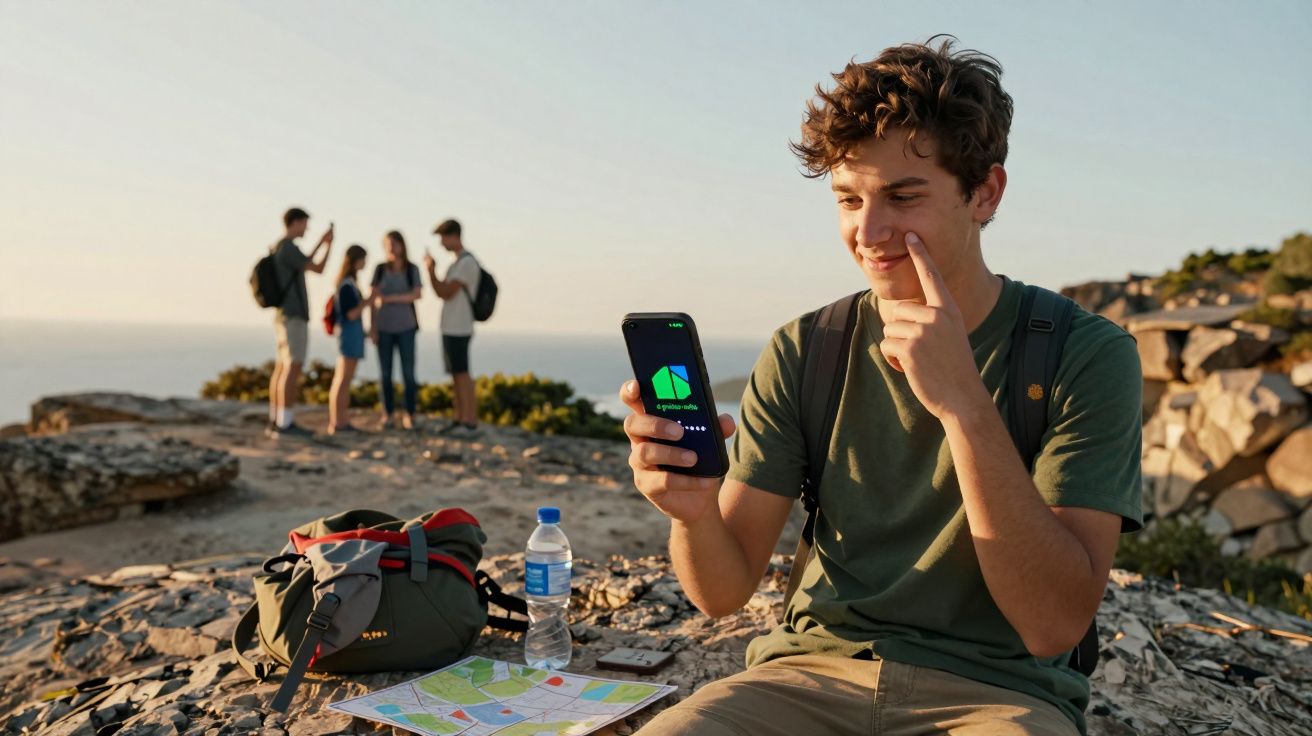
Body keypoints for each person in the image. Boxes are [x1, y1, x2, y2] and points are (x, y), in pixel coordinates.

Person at [622, 37, 1142, 736]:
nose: (867, 232)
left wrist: (964, 405)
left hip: (998, 698)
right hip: (805, 677)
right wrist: (691, 514)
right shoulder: (807, 349)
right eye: (848, 199)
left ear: (985, 193)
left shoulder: (1085, 354)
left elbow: (1053, 625)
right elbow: (722, 591)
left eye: (903, 196)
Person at [268, 207, 333, 439]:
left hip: (283, 315)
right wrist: (326, 244)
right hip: (293, 315)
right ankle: (285, 423)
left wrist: (323, 244)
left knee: (282, 367)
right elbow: (315, 267)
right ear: (295, 222)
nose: (307, 228)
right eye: (305, 223)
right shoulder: (287, 248)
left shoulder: (278, 247)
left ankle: (276, 419)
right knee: (292, 367)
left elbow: (309, 264)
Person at [424, 218, 482, 435]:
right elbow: (443, 292)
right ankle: (460, 418)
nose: (441, 243)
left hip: (460, 326)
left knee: (462, 373)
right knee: (456, 373)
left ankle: (469, 420)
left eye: (443, 238)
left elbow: (446, 292)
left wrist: (431, 271)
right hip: (451, 326)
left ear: (454, 236)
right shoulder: (456, 264)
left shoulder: (466, 263)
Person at [370, 230, 423, 430]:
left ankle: (410, 413)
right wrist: (373, 326)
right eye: (387, 244)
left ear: (402, 245)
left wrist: (390, 299)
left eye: (394, 243)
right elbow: (373, 299)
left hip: (406, 327)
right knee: (385, 373)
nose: (391, 248)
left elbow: (416, 295)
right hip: (384, 327)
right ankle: (388, 413)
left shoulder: (412, 269)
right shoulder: (380, 269)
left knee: (408, 373)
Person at [328, 244, 369, 435]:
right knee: (343, 380)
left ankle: (341, 420)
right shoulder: (346, 285)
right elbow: (351, 314)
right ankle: (338, 422)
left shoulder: (348, 283)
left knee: (344, 379)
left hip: (351, 334)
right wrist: (369, 301)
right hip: (349, 335)